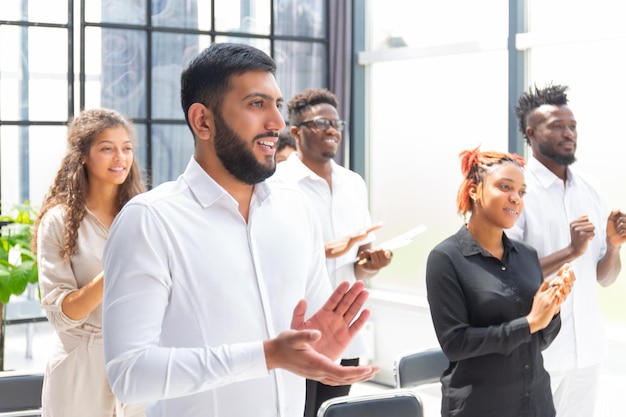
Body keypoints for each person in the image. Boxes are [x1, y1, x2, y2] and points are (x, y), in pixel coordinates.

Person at [101, 43, 378, 417]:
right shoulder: (150, 220)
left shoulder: (297, 209)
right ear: (203, 121)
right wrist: (265, 356)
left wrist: (319, 349)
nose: (277, 123)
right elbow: (129, 375)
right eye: (256, 104)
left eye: (277, 105)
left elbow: (307, 338)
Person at [271, 88, 392, 417]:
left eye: (335, 122)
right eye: (320, 123)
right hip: (298, 329)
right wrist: (325, 250)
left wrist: (373, 263)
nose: (332, 129)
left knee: (332, 412)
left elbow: (359, 266)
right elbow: (272, 259)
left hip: (345, 330)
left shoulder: (353, 183)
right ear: (295, 133)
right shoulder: (277, 185)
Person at [425, 148, 574, 417]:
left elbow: (538, 341)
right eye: (505, 187)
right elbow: (455, 344)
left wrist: (551, 309)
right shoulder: (445, 258)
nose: (515, 198)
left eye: (521, 192)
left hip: (537, 405)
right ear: (474, 190)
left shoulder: (527, 256)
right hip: (480, 407)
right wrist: (529, 322)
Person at [508, 84, 626, 417]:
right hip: (539, 353)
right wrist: (571, 251)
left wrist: (614, 248)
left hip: (588, 351)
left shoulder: (591, 188)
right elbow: (509, 275)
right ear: (531, 133)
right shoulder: (516, 191)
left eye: (572, 126)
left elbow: (605, 277)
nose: (568, 133)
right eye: (557, 126)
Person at [31, 108, 145, 417]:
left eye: (126, 148)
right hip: (79, 369)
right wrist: (117, 271)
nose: (119, 157)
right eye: (107, 148)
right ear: (83, 155)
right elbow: (61, 314)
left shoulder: (143, 214)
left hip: (135, 365)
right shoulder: (59, 221)